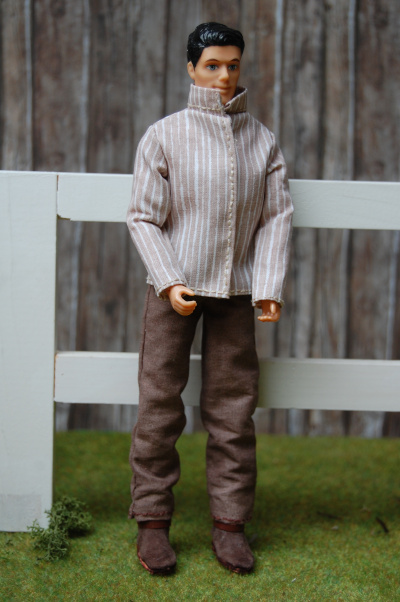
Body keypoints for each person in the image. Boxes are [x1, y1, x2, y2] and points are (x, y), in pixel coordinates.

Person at [126, 22, 293, 575]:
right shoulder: (165, 135)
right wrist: (169, 278)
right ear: (192, 69)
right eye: (212, 65)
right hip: (174, 288)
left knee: (233, 409)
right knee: (159, 403)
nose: (224, 76)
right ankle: (152, 520)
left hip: (237, 291)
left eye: (232, 65)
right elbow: (144, 216)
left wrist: (267, 286)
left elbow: (276, 217)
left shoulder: (261, 139)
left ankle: (230, 524)